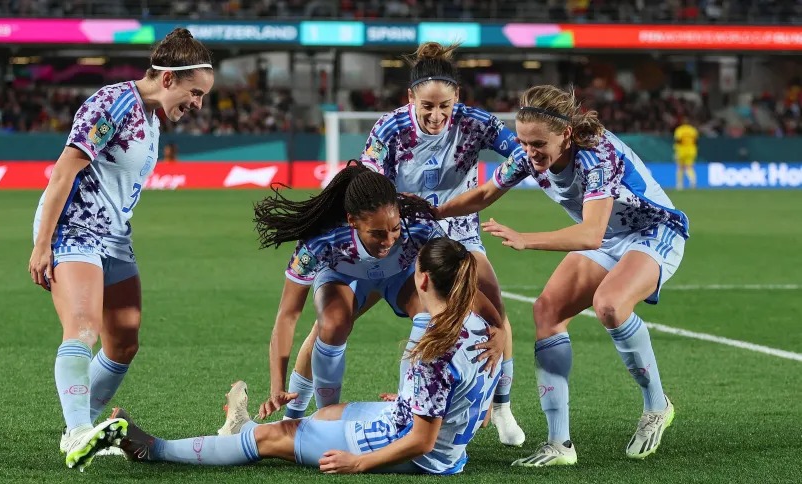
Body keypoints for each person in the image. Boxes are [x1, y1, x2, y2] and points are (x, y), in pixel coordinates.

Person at [273, 41, 526, 448]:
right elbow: (369, 183)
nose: (436, 115)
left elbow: (520, 157)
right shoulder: (390, 129)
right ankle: (296, 411)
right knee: (334, 322)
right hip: (400, 234)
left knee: (490, 305)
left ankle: (500, 408)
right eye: (427, 105)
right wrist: (396, 216)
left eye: (444, 105)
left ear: (457, 98)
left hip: (458, 229)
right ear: (411, 97)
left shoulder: (477, 123)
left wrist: (480, 197)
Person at [436, 84, 688, 466]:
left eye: (538, 144)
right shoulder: (528, 155)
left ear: (566, 134)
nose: (529, 151)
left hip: (653, 232)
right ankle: (559, 444)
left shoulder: (597, 156)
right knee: (547, 313)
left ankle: (657, 405)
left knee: (610, 305)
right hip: (608, 234)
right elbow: (485, 193)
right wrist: (433, 212)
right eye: (523, 141)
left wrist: (525, 239)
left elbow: (590, 234)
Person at [110, 237, 502, 475]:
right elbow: (471, 401)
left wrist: (359, 464)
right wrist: (415, 402)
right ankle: (239, 429)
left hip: (419, 452)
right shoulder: (485, 329)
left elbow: (421, 439)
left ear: (423, 279)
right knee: (325, 413)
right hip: (446, 447)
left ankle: (155, 449)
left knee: (274, 436)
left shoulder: (432, 347)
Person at [27, 28, 214, 471]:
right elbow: (63, 172)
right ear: (167, 79)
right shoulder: (113, 103)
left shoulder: (151, 118)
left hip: (114, 237)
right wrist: (42, 243)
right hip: (73, 230)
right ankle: (76, 432)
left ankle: (84, 428)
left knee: (123, 343)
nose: (198, 104)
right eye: (194, 92)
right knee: (84, 328)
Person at [251, 162, 504, 423]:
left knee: (431, 309)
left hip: (399, 276)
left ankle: (409, 403)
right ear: (352, 221)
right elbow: (288, 315)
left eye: (394, 230)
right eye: (377, 233)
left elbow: (457, 281)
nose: (388, 240)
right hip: (344, 278)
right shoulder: (322, 240)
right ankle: (325, 417)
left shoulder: (418, 224)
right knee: (332, 323)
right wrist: (276, 385)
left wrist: (499, 326)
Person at [673, 117, 698, 190]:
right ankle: (693, 180)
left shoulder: (679, 130)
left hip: (681, 151)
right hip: (691, 151)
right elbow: (695, 141)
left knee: (680, 167)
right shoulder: (693, 130)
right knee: (689, 167)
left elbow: (678, 140)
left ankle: (679, 184)